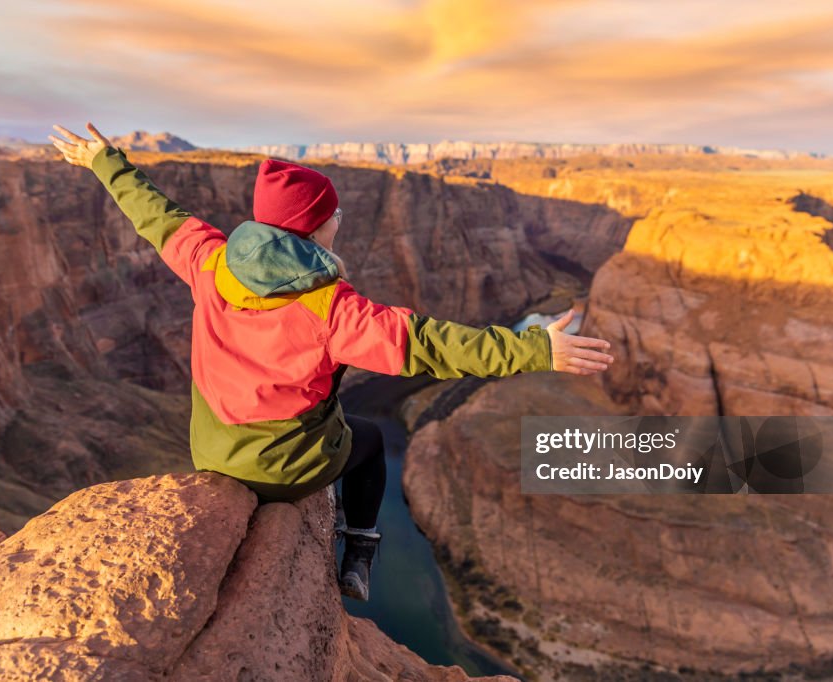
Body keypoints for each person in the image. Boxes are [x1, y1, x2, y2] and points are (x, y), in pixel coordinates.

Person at [48, 122, 614, 601]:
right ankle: (360, 549)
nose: (340, 219)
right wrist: (535, 348)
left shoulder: (210, 261)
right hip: (281, 472)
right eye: (333, 213)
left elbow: (157, 216)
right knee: (366, 441)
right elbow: (430, 344)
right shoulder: (330, 309)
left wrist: (104, 161)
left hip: (212, 452)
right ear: (313, 229)